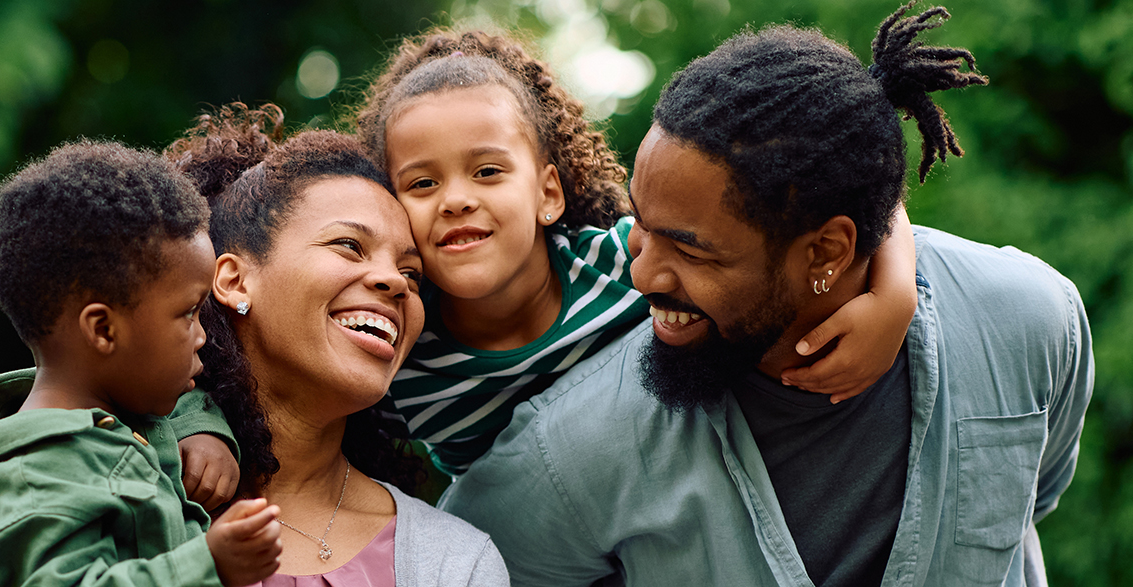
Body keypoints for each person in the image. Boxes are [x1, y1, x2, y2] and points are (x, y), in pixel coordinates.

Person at [441, 4, 1092, 586]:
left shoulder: (1031, 316)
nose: (642, 276)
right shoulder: (581, 446)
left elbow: (1036, 488)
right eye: (641, 224)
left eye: (692, 250)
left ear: (826, 252)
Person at [349, 27, 921, 476]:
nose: (455, 200)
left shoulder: (622, 263)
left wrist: (895, 296)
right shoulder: (400, 352)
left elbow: (845, 187)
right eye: (422, 184)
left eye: (488, 171)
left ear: (549, 193)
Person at [167, 104, 507, 587]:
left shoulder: (455, 562)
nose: (395, 282)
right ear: (235, 280)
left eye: (412, 273)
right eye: (349, 245)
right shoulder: (119, 489)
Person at [0, 140, 283, 587]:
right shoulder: (31, 476)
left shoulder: (121, 410)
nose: (203, 335)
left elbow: (174, 400)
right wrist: (207, 565)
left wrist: (202, 430)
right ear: (104, 330)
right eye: (188, 313)